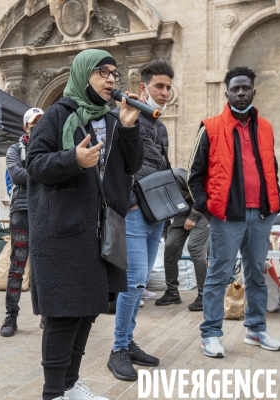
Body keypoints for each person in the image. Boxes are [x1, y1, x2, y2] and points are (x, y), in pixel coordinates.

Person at [26, 49, 143, 400]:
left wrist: (128, 126)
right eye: (102, 73)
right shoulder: (58, 115)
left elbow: (131, 164)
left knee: (87, 311)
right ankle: (53, 393)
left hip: (98, 233)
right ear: (83, 75)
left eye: (113, 74)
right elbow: (34, 164)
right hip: (62, 232)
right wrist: (72, 159)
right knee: (63, 315)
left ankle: (70, 385)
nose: (111, 80)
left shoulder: (110, 118)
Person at [188, 66, 280, 358]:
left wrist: (274, 203)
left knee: (257, 273)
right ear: (226, 92)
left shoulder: (265, 127)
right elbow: (194, 175)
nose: (240, 93)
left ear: (254, 90)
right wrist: (210, 208)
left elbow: (272, 168)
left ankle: (256, 330)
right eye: (235, 89)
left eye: (245, 88)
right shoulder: (211, 127)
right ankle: (211, 334)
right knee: (219, 274)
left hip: (260, 215)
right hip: (227, 217)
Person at [108, 59, 173, 381]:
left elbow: (162, 167)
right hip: (135, 212)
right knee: (132, 283)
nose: (165, 93)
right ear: (142, 88)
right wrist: (128, 202)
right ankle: (118, 349)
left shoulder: (159, 125)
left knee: (141, 282)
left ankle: (128, 341)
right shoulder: (126, 118)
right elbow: (115, 164)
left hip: (156, 214)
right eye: (159, 86)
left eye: (169, 87)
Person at [0, 107, 44, 337]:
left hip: (44, 211)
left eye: (41, 124)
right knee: (18, 265)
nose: (37, 129)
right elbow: (17, 175)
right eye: (34, 125)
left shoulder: (50, 146)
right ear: (25, 127)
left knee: (43, 265)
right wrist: (46, 172)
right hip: (22, 211)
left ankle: (46, 314)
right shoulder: (14, 149)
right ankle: (11, 316)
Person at [156, 168, 210, 311]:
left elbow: (203, 196)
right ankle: (172, 292)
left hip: (203, 212)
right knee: (170, 246)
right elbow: (164, 209)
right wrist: (167, 231)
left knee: (195, 247)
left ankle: (204, 295)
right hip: (183, 214)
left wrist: (193, 217)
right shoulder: (153, 186)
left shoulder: (179, 176)